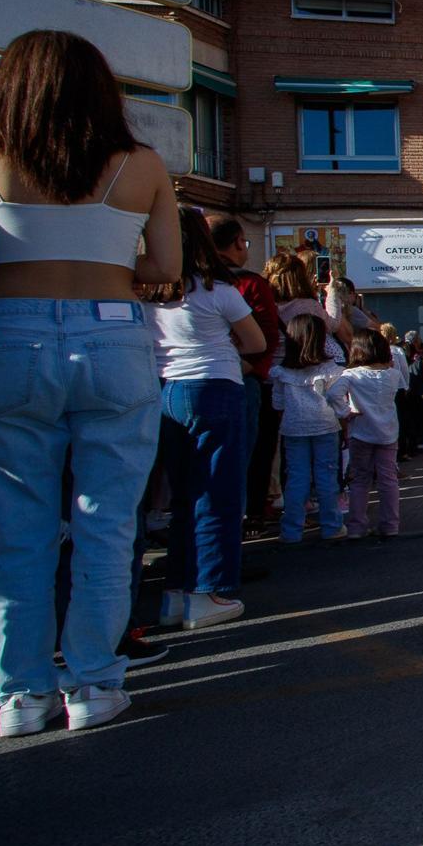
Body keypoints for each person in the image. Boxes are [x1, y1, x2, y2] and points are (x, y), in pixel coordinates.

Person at [0, 31, 181, 736]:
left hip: (10, 335)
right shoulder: (140, 165)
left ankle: (20, 695)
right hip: (112, 332)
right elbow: (163, 264)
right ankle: (93, 682)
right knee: (107, 525)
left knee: (17, 533)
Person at [148, 206, 267, 628]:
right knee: (216, 494)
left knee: (182, 498)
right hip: (215, 387)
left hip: (165, 392)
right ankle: (207, 592)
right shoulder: (219, 291)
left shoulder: (148, 293)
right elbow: (256, 343)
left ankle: (174, 594)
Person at [209, 216, 280, 533]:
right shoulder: (246, 285)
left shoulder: (178, 285)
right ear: (238, 243)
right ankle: (227, 542)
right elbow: (264, 338)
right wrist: (247, 367)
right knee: (237, 461)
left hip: (179, 385)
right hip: (238, 383)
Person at [271, 314, 345, 545]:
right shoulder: (331, 369)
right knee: (326, 476)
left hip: (294, 428)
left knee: (296, 478)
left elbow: (277, 404)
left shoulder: (282, 372)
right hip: (325, 425)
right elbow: (338, 400)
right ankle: (331, 526)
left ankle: (291, 530)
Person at [330, 330, 406, 539]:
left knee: (360, 480)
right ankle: (391, 525)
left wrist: (345, 412)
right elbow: (402, 388)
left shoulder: (351, 375)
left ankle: (356, 527)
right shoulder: (393, 373)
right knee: (388, 479)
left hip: (361, 432)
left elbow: (332, 394)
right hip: (388, 433)